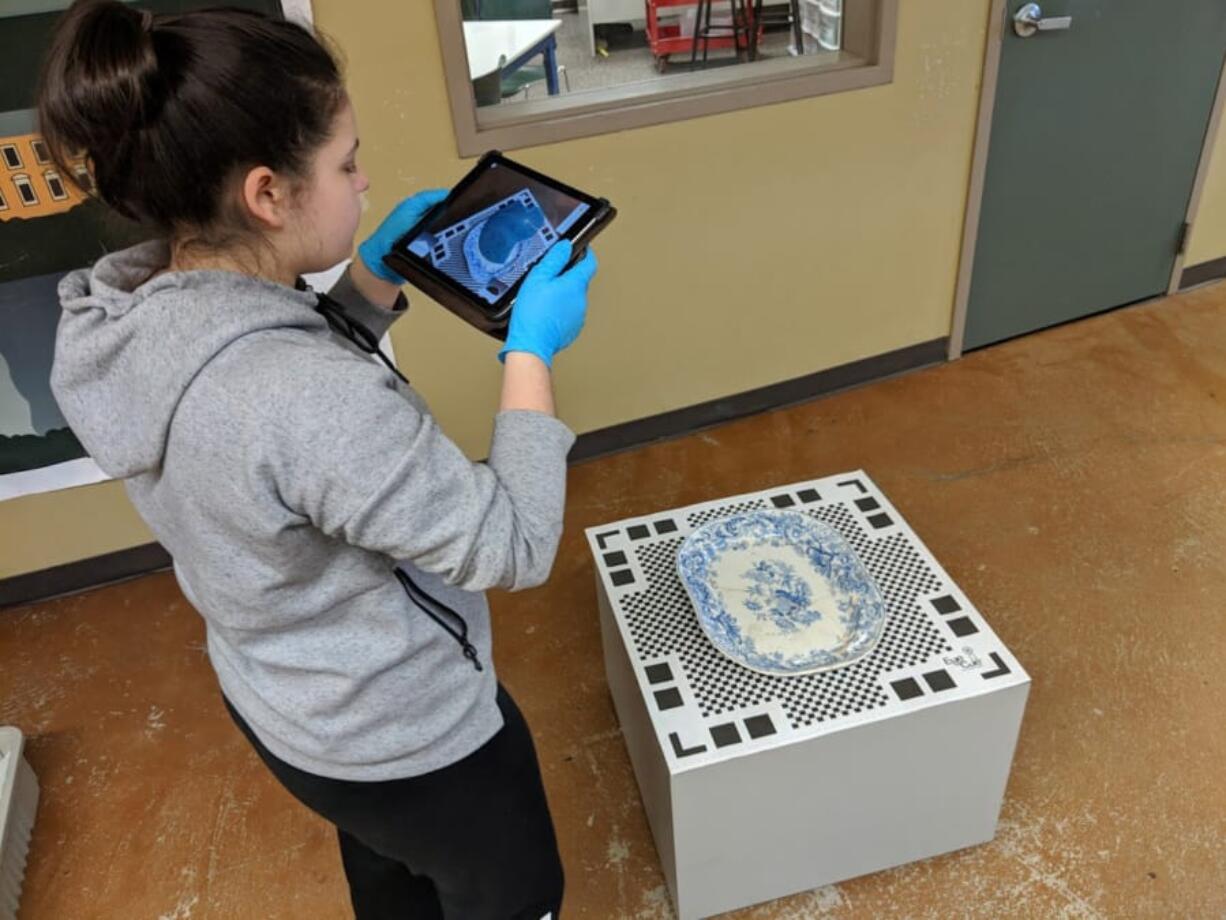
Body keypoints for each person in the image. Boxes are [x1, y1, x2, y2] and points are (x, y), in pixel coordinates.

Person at [37, 2, 599, 917]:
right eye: (346, 164)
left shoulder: (118, 320)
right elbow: (514, 544)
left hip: (289, 709)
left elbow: (256, 406)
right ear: (267, 194)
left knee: (392, 876)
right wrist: (529, 353)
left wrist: (371, 279)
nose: (365, 180)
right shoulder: (304, 401)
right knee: (513, 892)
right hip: (410, 734)